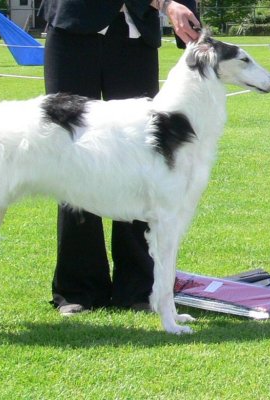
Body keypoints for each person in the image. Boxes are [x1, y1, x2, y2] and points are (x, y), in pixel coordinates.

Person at [41, 0, 200, 316]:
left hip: (135, 34)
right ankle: (79, 288)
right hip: (72, 29)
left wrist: (189, 27)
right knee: (74, 159)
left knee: (141, 159)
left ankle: (139, 285)